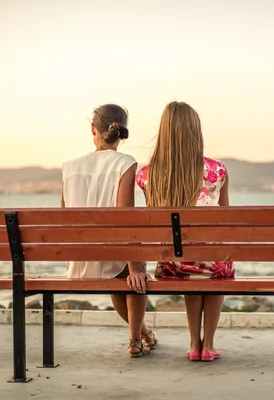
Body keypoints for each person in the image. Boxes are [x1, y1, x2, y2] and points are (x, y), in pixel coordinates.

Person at [136, 101, 234, 361]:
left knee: (190, 263)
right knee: (215, 263)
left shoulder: (147, 174)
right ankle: (208, 345)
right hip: (213, 265)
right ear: (196, 132)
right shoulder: (218, 170)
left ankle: (194, 343)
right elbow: (225, 218)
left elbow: (152, 219)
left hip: (172, 263)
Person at [61, 104, 157, 358]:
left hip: (80, 261)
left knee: (123, 272)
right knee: (133, 274)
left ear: (93, 129)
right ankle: (135, 339)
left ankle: (145, 333)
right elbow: (125, 218)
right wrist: (136, 267)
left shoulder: (69, 166)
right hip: (111, 257)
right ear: (124, 131)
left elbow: (63, 219)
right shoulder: (125, 163)